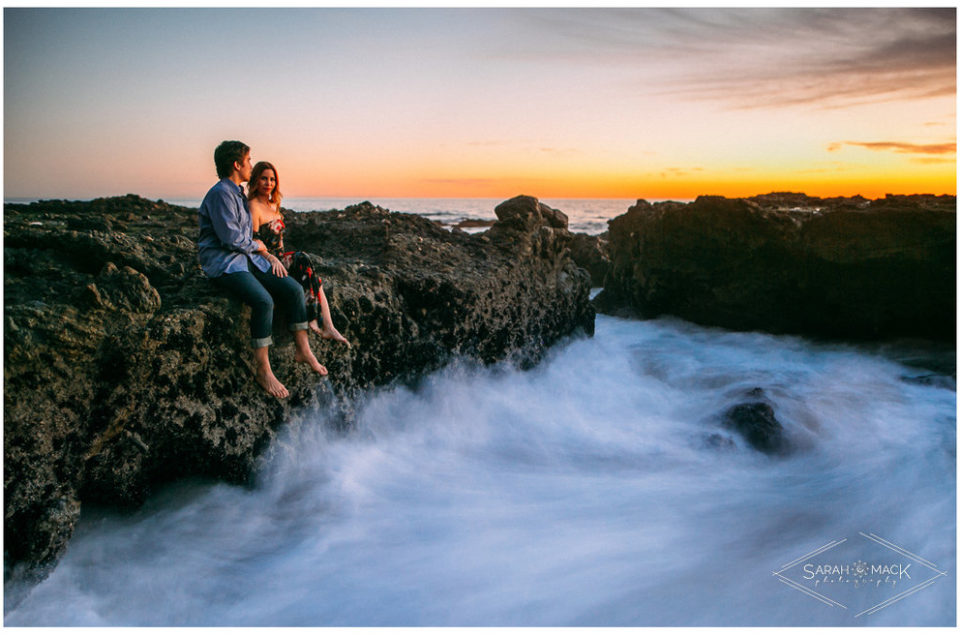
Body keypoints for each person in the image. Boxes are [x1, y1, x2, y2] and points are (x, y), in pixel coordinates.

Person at [198, 140, 328, 399]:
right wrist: (259, 247)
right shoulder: (221, 193)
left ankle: (303, 349)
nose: (250, 165)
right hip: (225, 263)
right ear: (236, 164)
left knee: (291, 288)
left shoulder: (237, 192)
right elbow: (231, 239)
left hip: (246, 258)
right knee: (263, 301)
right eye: (248, 161)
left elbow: (246, 237)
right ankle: (263, 369)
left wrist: (262, 252)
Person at [247, 161, 350, 346]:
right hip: (264, 262)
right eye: (264, 178)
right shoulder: (253, 206)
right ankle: (313, 319)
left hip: (279, 258)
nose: (268, 183)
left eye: (272, 179)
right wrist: (272, 260)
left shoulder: (274, 206)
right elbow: (254, 242)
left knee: (312, 276)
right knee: (303, 259)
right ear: (255, 180)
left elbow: (279, 241)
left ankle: (329, 326)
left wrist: (285, 261)